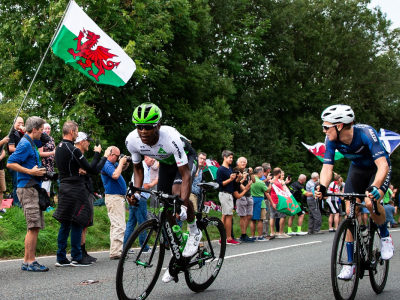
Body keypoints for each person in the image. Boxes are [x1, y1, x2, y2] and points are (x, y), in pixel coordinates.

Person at [315, 104, 394, 281]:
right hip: (357, 170)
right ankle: (350, 264)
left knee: (369, 202)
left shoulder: (366, 133)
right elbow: (327, 168)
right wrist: (322, 186)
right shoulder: (331, 140)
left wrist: (375, 187)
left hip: (378, 169)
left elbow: (383, 165)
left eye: (326, 127)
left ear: (340, 126)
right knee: (350, 209)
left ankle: (385, 235)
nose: (324, 131)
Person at [125, 102, 199, 283]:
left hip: (185, 161)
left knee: (176, 193)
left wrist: (182, 203)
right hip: (166, 164)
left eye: (148, 127)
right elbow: (138, 170)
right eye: (139, 126)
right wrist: (136, 194)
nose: (143, 131)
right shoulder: (132, 140)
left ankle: (194, 230)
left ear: (157, 125)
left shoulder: (171, 138)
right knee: (166, 208)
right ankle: (178, 256)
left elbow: (186, 175)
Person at [53, 121, 110, 267]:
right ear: (72, 131)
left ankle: (60, 257)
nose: (77, 134)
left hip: (64, 187)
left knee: (65, 223)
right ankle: (77, 256)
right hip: (76, 189)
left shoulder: (58, 147)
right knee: (77, 221)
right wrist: (98, 154)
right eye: (77, 131)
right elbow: (91, 169)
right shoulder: (73, 149)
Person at [7, 116, 49, 271]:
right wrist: (29, 171)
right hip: (27, 188)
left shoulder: (31, 142)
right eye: (41, 130)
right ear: (34, 130)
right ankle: (29, 262)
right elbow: (10, 162)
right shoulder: (25, 143)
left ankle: (29, 260)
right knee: (33, 226)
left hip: (33, 187)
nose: (43, 132)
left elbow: (44, 139)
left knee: (35, 226)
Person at [75, 132, 107, 263]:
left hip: (87, 190)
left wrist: (87, 169)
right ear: (82, 141)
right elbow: (94, 170)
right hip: (81, 191)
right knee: (82, 223)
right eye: (87, 140)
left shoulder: (80, 154)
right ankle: (79, 252)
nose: (89, 143)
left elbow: (90, 170)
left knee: (85, 224)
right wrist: (100, 155)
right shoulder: (76, 153)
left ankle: (83, 251)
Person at [100, 146, 130, 260]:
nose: (118, 158)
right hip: (113, 198)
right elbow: (115, 175)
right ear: (111, 155)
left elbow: (122, 169)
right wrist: (121, 162)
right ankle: (117, 252)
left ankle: (115, 250)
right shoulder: (106, 164)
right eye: (117, 156)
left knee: (116, 225)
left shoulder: (112, 165)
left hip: (117, 198)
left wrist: (125, 162)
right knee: (119, 225)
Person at [123, 156, 156, 253]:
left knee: (131, 223)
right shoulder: (144, 169)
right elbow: (146, 186)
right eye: (152, 158)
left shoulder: (142, 167)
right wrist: (157, 180)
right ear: (146, 157)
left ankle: (125, 247)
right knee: (142, 223)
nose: (153, 160)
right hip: (140, 199)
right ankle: (144, 247)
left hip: (133, 197)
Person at [216, 150, 240, 245]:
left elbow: (233, 183)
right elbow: (219, 184)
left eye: (232, 158)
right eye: (230, 157)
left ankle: (225, 237)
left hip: (229, 194)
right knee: (227, 216)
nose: (231, 159)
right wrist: (230, 179)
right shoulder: (221, 169)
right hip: (224, 193)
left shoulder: (230, 169)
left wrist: (237, 178)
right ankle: (227, 238)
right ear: (224, 157)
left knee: (228, 215)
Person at [7, 116, 25, 207]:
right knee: (16, 184)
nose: (21, 125)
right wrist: (23, 149)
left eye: (22, 123)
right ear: (15, 123)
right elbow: (11, 148)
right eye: (19, 123)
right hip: (14, 162)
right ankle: (17, 204)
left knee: (22, 183)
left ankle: (22, 203)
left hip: (22, 162)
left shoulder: (22, 134)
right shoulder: (12, 134)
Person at [267, 168, 290, 238]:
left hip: (272, 200)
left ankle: (272, 232)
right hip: (278, 201)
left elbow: (269, 190)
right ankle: (280, 232)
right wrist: (283, 184)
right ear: (279, 174)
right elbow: (284, 191)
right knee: (282, 216)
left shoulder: (272, 181)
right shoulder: (278, 182)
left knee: (272, 216)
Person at [232, 167, 253, 242]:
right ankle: (243, 234)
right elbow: (236, 184)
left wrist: (249, 183)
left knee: (248, 215)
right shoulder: (235, 178)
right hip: (240, 197)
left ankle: (244, 233)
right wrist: (243, 179)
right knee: (243, 216)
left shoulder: (245, 175)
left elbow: (245, 188)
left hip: (246, 195)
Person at [250, 166, 269, 241]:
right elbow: (267, 191)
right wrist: (270, 184)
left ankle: (253, 236)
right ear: (259, 173)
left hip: (252, 200)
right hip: (260, 201)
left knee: (253, 220)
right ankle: (260, 236)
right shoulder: (260, 182)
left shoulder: (250, 180)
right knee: (260, 219)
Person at [38, 123, 55, 197]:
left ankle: (47, 203)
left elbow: (55, 149)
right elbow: (40, 153)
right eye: (46, 129)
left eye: (49, 129)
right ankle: (43, 203)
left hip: (51, 164)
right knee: (44, 183)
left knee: (49, 182)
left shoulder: (51, 139)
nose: (47, 130)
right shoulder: (40, 139)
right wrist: (52, 153)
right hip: (44, 164)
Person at [0, 133, 10, 218]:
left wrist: (1, 156)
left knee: (1, 190)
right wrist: (2, 141)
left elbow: (2, 150)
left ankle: (0, 208)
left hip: (0, 167)